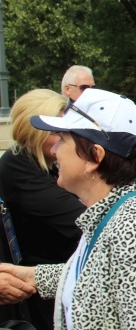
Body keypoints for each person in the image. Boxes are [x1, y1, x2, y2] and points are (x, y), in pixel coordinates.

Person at [0, 89, 136, 329]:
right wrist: (33, 277)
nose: (54, 151)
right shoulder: (112, 212)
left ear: (95, 156)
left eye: (63, 140)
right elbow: (96, 276)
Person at [0, 89, 86, 329]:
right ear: (33, 132)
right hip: (36, 295)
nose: (64, 137)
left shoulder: (44, 165)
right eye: (56, 131)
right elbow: (77, 218)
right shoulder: (19, 167)